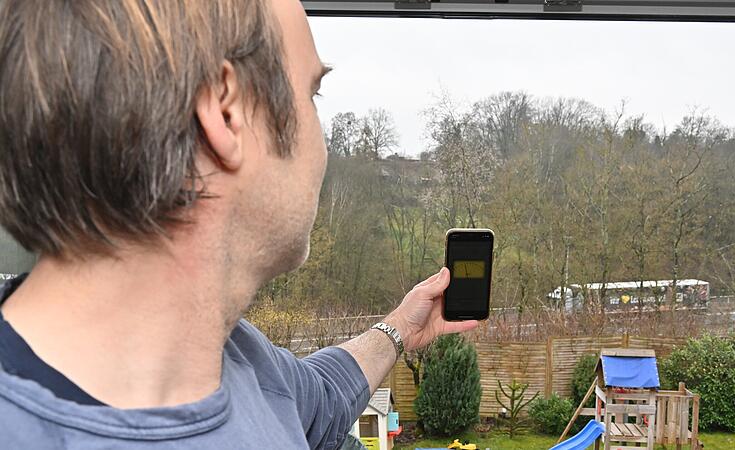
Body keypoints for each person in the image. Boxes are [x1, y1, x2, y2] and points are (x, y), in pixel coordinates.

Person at [0, 0, 478, 448]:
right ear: (225, 112)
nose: (323, 144)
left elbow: (323, 398)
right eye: (313, 93)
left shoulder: (240, 358)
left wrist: (398, 327)